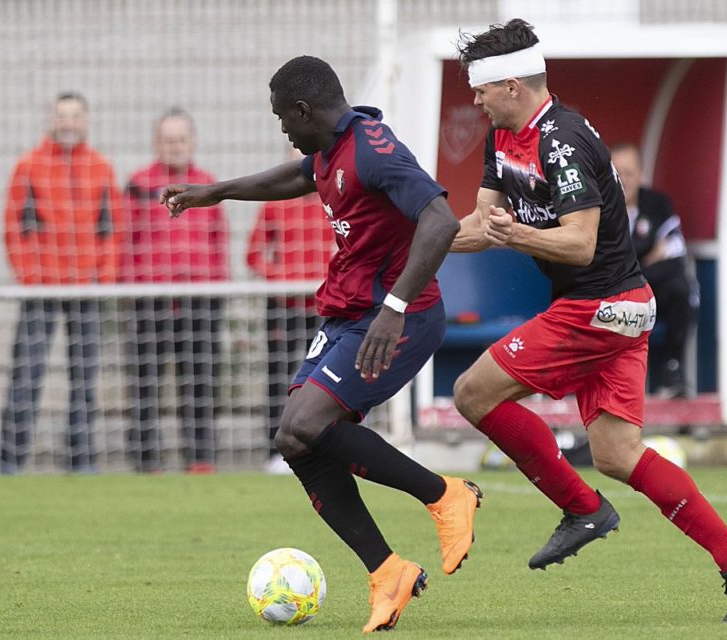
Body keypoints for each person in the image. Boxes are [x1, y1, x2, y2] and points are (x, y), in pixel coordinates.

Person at [450, 19, 727, 622]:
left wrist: (516, 234)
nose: (474, 99)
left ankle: (582, 509)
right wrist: (420, 245)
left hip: (599, 307)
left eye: (481, 89)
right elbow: (479, 224)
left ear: (512, 86)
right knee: (618, 454)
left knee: (473, 392)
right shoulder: (503, 139)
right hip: (615, 309)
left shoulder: (563, 139)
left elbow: (578, 244)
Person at [161, 55, 480, 633]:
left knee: (306, 425)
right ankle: (388, 572)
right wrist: (220, 192)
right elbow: (298, 174)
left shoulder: (375, 150)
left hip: (399, 318)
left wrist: (395, 307)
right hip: (350, 312)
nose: (282, 129)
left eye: (283, 118)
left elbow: (440, 220)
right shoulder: (330, 150)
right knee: (293, 437)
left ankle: (445, 495)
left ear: (305, 110)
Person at [0, 92, 124, 474]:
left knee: (85, 382)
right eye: (61, 116)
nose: (68, 122)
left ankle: (81, 464)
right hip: (42, 291)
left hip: (85, 290)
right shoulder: (28, 166)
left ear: (85, 122)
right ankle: (10, 463)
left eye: (75, 116)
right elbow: (13, 228)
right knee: (26, 378)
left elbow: (113, 229)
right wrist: (32, 278)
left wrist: (100, 279)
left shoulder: (101, 168)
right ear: (50, 120)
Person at [121, 107, 228, 474]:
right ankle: (146, 462)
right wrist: (132, 289)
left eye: (181, 139)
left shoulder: (208, 185)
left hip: (199, 300)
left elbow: (219, 243)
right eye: (168, 139)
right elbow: (126, 240)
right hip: (150, 300)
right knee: (145, 384)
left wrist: (216, 290)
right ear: (156, 143)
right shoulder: (138, 184)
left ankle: (200, 460)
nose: (175, 146)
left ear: (193, 142)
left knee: (200, 382)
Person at [245, 151, 335, 474]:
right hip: (283, 305)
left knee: (322, 378)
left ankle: (320, 444)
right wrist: (283, 280)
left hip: (322, 303)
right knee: (278, 376)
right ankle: (276, 448)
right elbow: (253, 255)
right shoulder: (275, 201)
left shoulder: (333, 197)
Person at [611, 143, 698, 398]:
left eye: (630, 172)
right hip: (609, 293)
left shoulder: (658, 204)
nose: (624, 180)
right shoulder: (597, 206)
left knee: (681, 287)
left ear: (641, 174)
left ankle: (674, 371)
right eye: (617, 173)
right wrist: (646, 258)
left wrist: (631, 269)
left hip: (649, 290)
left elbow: (674, 254)